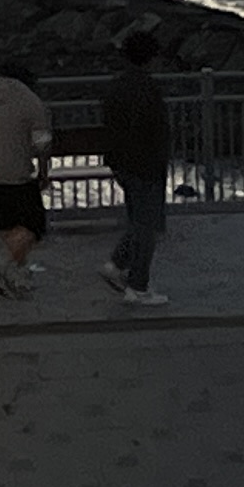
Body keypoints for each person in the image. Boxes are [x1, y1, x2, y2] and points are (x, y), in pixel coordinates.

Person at [0, 61, 56, 298]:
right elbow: (42, 143)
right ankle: (3, 265)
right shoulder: (30, 101)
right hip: (12, 173)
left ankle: (17, 273)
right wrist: (43, 173)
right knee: (34, 225)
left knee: (10, 226)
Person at [100, 31, 173, 307]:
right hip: (145, 165)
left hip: (123, 163)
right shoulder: (147, 89)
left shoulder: (117, 86)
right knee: (147, 226)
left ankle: (118, 263)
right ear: (151, 58)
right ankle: (137, 285)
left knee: (140, 221)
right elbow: (151, 130)